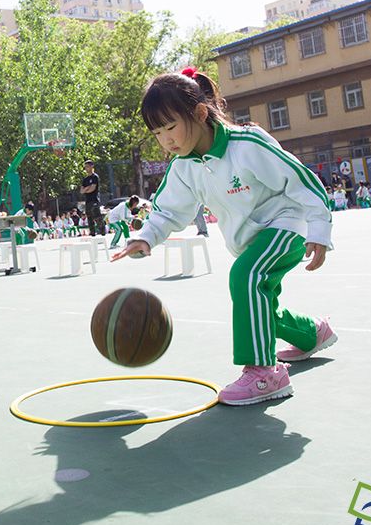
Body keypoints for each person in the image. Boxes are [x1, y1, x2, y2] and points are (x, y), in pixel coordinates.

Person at [112, 67, 336, 406]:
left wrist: (319, 229)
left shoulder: (247, 145)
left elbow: (299, 179)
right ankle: (310, 333)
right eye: (157, 133)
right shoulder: (184, 166)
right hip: (249, 242)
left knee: (246, 277)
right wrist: (145, 237)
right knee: (257, 307)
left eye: (171, 126)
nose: (166, 140)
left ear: (200, 113)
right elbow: (168, 211)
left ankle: (264, 373)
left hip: (286, 225)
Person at [80, 161, 105, 236]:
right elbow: (81, 191)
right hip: (88, 200)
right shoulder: (85, 179)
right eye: (85, 167)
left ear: (91, 166)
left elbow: (93, 188)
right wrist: (87, 188)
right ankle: (92, 232)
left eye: (87, 166)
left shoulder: (95, 177)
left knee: (97, 215)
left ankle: (102, 230)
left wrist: (86, 189)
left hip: (94, 199)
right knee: (89, 217)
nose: (86, 168)